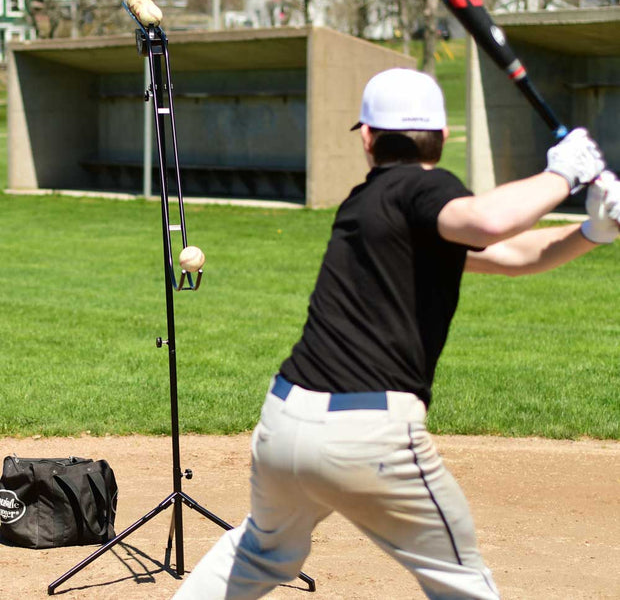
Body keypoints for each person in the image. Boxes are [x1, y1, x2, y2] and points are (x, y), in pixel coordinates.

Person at [174, 68, 620, 600]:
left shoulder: (369, 207)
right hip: (369, 434)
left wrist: (594, 231)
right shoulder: (424, 188)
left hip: (284, 422)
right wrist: (563, 175)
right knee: (464, 584)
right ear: (444, 137)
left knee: (260, 553)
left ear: (368, 137)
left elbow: (510, 255)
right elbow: (487, 223)